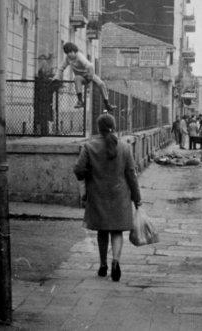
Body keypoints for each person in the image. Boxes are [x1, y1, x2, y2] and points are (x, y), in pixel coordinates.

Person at [73, 113, 141, 282]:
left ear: (98, 128)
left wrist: (90, 175)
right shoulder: (125, 147)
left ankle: (103, 264)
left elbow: (78, 170)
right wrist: (137, 198)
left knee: (102, 231)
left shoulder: (89, 146)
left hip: (98, 194)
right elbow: (131, 174)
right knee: (117, 230)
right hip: (120, 195)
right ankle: (116, 262)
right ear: (114, 127)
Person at [53, 42, 116, 111]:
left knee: (101, 84)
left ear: (74, 51)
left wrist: (90, 75)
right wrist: (56, 77)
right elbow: (61, 68)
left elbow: (90, 65)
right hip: (81, 77)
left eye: (71, 52)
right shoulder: (67, 58)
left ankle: (107, 104)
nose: (69, 55)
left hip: (88, 74)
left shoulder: (79, 56)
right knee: (76, 78)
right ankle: (80, 101)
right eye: (67, 53)